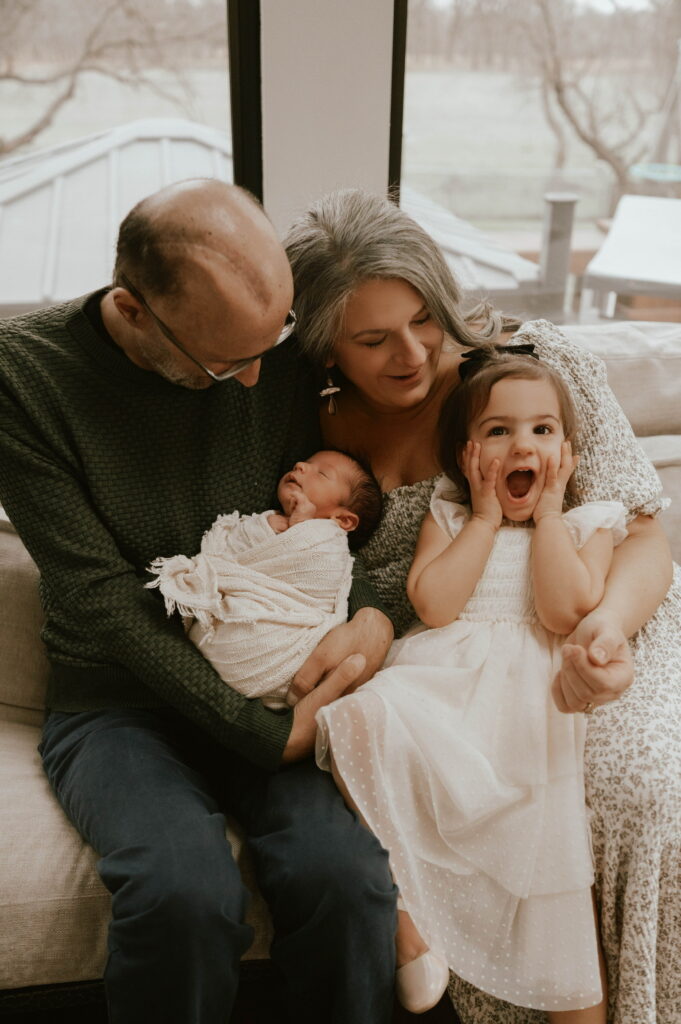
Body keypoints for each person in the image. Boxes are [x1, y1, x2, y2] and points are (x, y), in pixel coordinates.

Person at [0, 180, 397, 1024]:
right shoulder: (22, 378)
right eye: (224, 365)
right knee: (182, 895)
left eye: (271, 344)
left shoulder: (271, 350)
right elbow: (99, 597)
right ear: (132, 310)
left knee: (347, 881)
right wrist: (259, 733)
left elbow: (321, 531)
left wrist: (371, 617)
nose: (255, 380)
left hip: (274, 676)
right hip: (120, 701)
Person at [284, 188, 681, 1024]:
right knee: (456, 784)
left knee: (639, 789)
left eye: (424, 319)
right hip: (460, 665)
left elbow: (642, 530)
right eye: (372, 340)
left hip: (600, 623)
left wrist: (604, 631)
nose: (411, 353)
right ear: (325, 349)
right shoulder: (308, 429)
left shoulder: (535, 368)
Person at [318, 348, 625, 1019]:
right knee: (357, 717)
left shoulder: (589, 523)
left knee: (556, 908)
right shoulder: (451, 516)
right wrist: (484, 519)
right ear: (466, 455)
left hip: (526, 710)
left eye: (542, 430)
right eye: (498, 431)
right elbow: (434, 606)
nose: (523, 445)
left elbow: (563, 610)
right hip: (447, 687)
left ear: (566, 454)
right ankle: (406, 914)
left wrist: (548, 515)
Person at [147, 449, 382, 708]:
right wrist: (263, 529)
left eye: (322, 473)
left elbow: (319, 580)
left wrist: (302, 529)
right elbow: (227, 554)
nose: (300, 465)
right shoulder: (263, 519)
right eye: (306, 462)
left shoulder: (330, 543)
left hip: (285, 643)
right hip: (228, 628)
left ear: (343, 519)